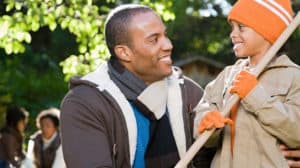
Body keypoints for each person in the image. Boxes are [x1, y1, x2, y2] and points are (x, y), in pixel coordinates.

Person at [60, 3, 216, 168]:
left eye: (165, 35)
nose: (168, 45)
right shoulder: (85, 103)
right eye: (154, 39)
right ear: (124, 52)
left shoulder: (189, 93)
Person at [194, 0, 300, 167]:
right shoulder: (228, 75)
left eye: (241, 27)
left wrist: (255, 96)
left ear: (266, 31)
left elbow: (296, 132)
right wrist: (205, 120)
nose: (233, 34)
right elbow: (205, 112)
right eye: (232, 28)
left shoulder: (294, 77)